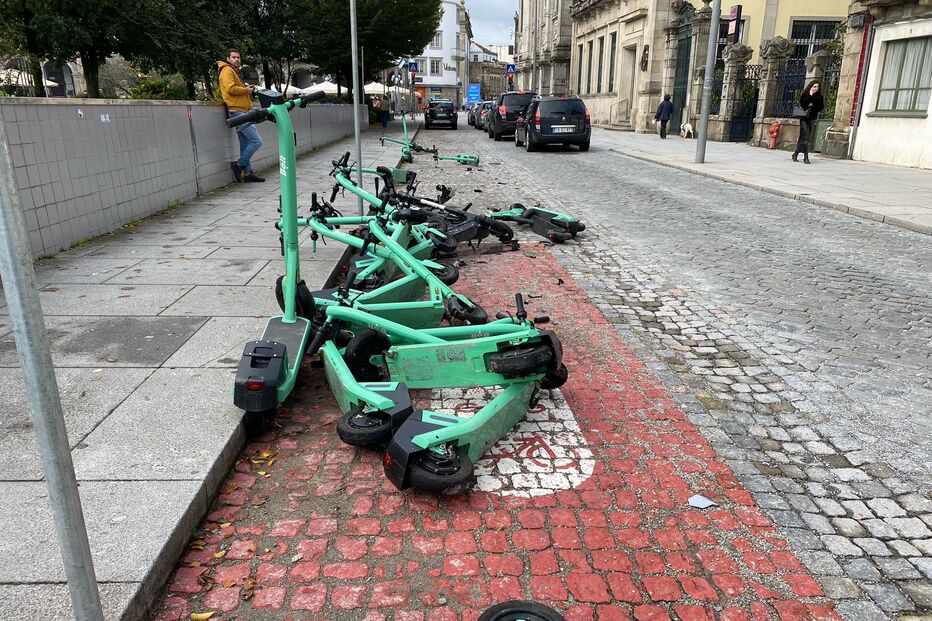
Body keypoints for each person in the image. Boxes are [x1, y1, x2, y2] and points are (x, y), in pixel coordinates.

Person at [217, 49, 264, 182]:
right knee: (256, 141)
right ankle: (238, 165)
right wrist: (245, 90)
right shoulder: (227, 70)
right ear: (228, 59)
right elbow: (230, 89)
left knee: (245, 143)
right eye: (234, 57)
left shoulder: (233, 71)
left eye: (238, 57)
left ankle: (248, 173)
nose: (236, 59)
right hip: (237, 111)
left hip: (241, 111)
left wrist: (246, 89)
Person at [793, 80, 824, 165]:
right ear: (811, 86)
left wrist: (813, 104)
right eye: (814, 86)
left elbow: (820, 107)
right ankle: (805, 157)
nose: (816, 88)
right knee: (805, 137)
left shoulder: (819, 97)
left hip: (811, 118)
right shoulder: (805, 94)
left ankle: (795, 154)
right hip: (804, 118)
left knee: (803, 137)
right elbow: (803, 104)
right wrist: (810, 95)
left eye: (818, 87)